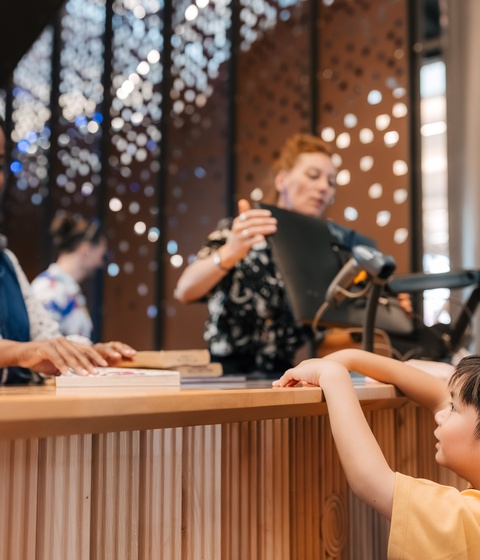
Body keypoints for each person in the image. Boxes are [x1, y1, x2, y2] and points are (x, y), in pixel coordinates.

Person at [174, 133, 376, 375]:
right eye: (313, 176)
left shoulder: (326, 254)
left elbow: (328, 336)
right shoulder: (241, 230)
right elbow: (184, 290)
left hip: (283, 379)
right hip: (225, 377)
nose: (324, 187)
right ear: (282, 180)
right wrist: (229, 252)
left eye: (331, 182)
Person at [273, 349, 480, 558]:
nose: (441, 415)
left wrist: (333, 376)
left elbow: (371, 481)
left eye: (453, 408)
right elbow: (437, 394)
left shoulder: (469, 517)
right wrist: (351, 358)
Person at [0, 116, 136, 384]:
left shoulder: (6, 259)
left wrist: (85, 353)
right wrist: (22, 352)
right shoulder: (51, 288)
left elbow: (45, 338)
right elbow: (31, 349)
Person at [31, 212, 107, 339]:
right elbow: (42, 344)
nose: (100, 263)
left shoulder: (66, 289)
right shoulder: (49, 289)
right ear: (86, 250)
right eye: (101, 256)